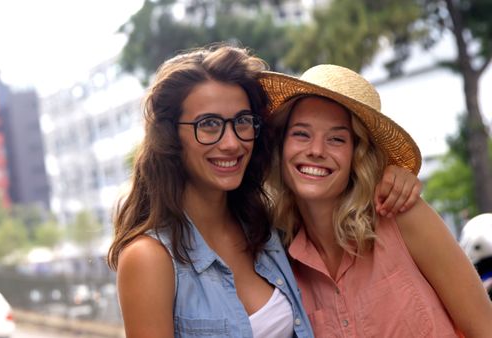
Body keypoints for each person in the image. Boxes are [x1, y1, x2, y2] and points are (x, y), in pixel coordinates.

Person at [107, 44, 420, 338]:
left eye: (242, 121)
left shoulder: (268, 228)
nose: (231, 143)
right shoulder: (149, 258)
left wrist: (389, 176)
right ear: (171, 137)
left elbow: (333, 194)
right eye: (209, 124)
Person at [262, 64, 492, 337]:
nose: (316, 151)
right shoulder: (278, 258)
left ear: (357, 154)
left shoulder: (402, 216)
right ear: (281, 144)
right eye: (301, 133)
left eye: (337, 139)